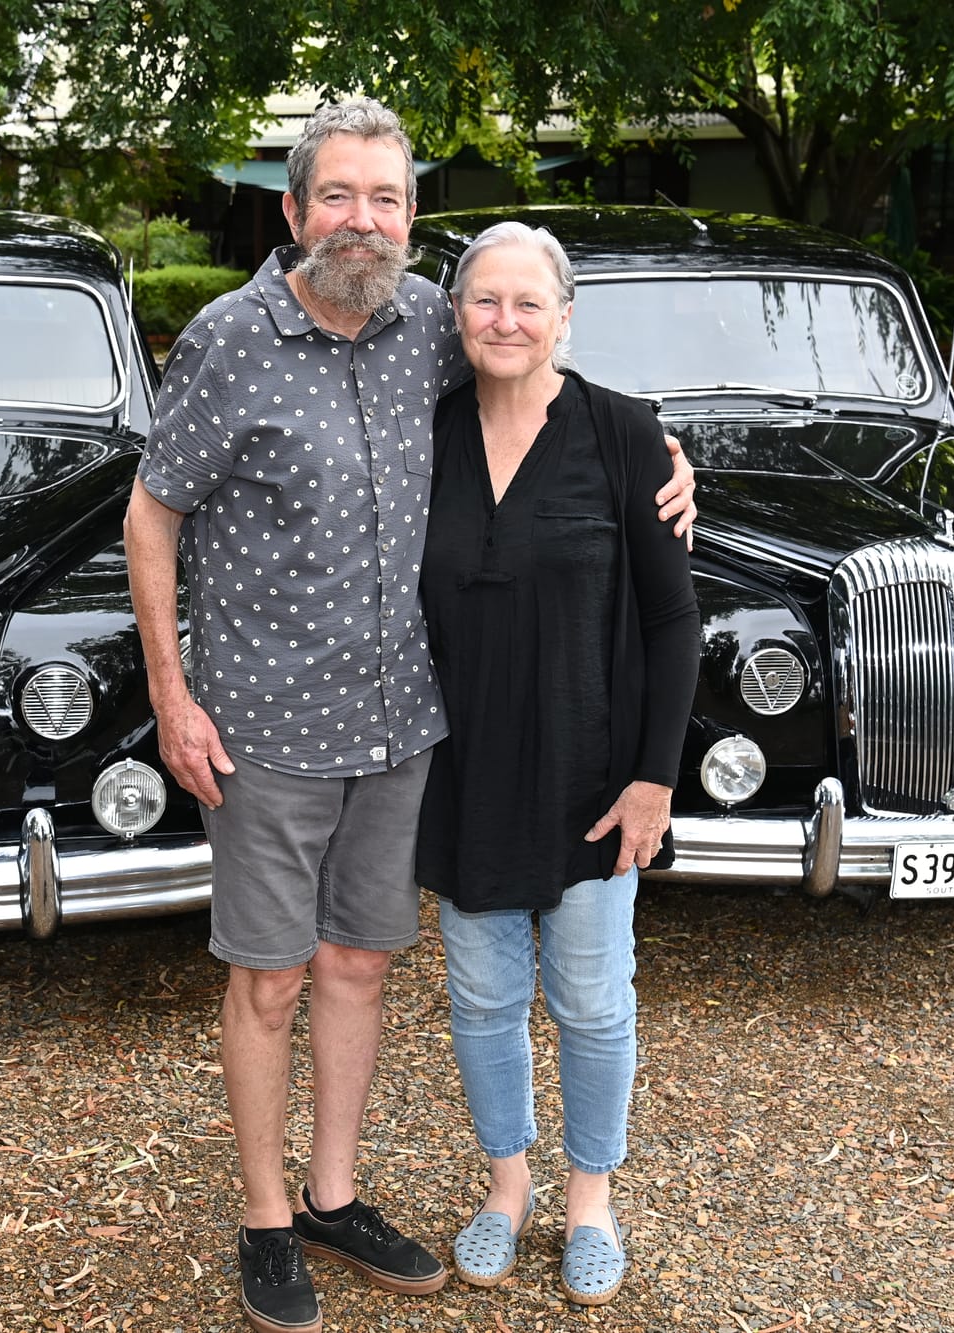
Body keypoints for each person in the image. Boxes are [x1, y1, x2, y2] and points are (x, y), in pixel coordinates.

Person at [125, 100, 694, 1333]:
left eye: (385, 200)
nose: (361, 220)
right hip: (262, 732)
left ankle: (332, 1196)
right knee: (268, 981)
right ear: (291, 210)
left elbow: (531, 354)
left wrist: (660, 445)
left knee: (360, 968)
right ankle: (267, 1217)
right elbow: (151, 515)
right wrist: (171, 697)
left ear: (410, 218)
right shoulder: (229, 340)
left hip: (400, 730)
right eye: (338, 196)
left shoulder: (422, 323)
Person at [415, 221, 700, 1307]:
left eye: (527, 303)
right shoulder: (423, 434)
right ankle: (506, 1187)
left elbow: (674, 623)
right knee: (482, 999)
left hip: (592, 776)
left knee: (589, 1000)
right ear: (455, 317)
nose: (504, 320)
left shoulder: (626, 436)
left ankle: (590, 1201)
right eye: (483, 301)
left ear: (564, 318)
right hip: (464, 771)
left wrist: (653, 777)